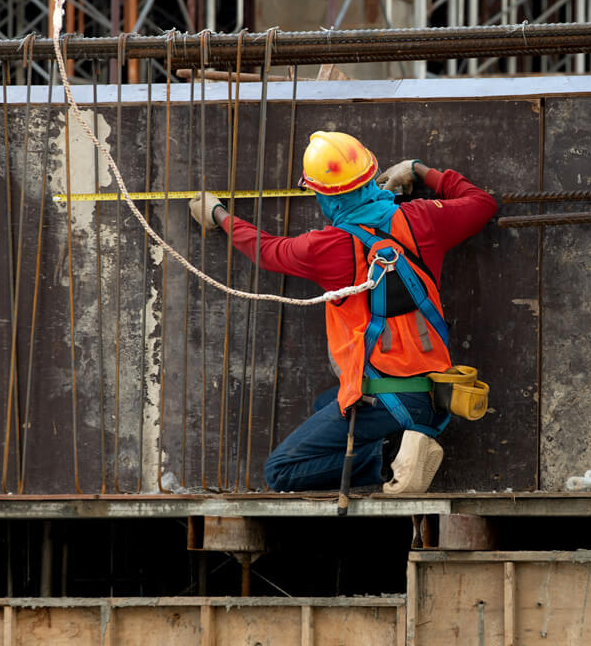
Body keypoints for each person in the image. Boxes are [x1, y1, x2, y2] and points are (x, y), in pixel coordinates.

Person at [187, 131, 497, 494]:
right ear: (371, 174)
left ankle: (385, 464)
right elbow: (482, 203)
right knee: (326, 402)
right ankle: (402, 443)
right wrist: (419, 169)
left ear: (321, 194)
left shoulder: (327, 247)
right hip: (437, 392)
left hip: (387, 398)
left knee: (281, 472)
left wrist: (218, 214)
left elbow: (267, 250)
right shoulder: (424, 218)